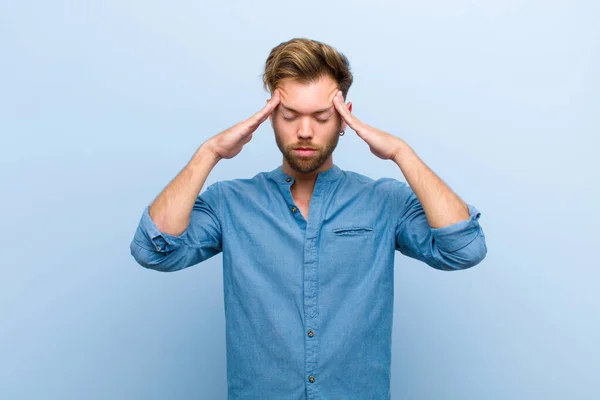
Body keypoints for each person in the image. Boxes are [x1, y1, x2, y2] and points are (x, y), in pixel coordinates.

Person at [130, 37, 487, 400]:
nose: (304, 131)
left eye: (321, 117)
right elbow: (154, 251)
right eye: (289, 116)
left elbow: (464, 249)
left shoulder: (384, 202)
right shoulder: (230, 203)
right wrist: (209, 153)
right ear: (270, 116)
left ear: (344, 117)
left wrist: (400, 153)